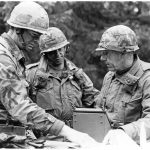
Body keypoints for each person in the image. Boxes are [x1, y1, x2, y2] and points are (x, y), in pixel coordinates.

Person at [0, 1, 97, 148]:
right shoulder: (4, 58)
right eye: (34, 35)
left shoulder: (12, 56)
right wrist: (67, 132)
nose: (38, 41)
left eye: (39, 36)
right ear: (18, 30)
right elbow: (20, 106)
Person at [26, 27, 100, 132]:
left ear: (66, 48)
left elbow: (94, 100)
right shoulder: (32, 75)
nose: (57, 55)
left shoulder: (77, 75)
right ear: (45, 54)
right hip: (45, 137)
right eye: (52, 52)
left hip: (75, 135)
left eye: (60, 49)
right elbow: (21, 105)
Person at [95, 25, 150, 144]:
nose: (102, 58)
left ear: (125, 53)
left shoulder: (147, 78)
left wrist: (123, 132)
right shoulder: (109, 76)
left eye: (107, 53)